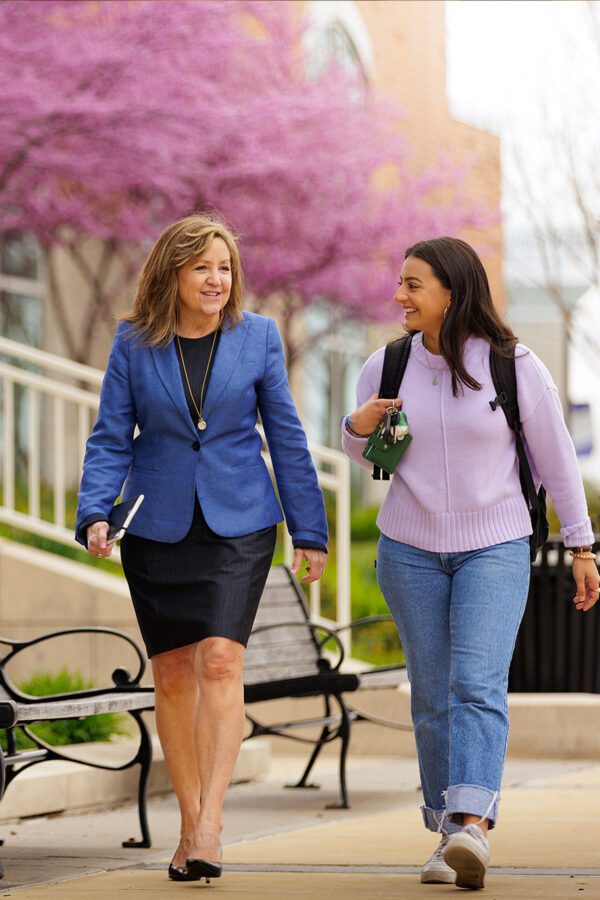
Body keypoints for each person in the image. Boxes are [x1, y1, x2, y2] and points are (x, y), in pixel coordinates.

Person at [75, 213, 328, 884]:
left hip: (240, 520)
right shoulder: (134, 343)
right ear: (173, 273)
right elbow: (110, 437)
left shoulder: (260, 338)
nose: (216, 279)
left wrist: (311, 530)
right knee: (174, 675)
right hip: (156, 523)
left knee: (220, 660)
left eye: (224, 267)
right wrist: (94, 511)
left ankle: (210, 822)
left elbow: (287, 435)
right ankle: (188, 824)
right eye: (202, 268)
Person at [341, 236, 599, 891]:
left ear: (452, 293)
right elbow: (377, 462)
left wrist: (580, 545)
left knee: (477, 686)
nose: (399, 295)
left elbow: (556, 460)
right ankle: (444, 830)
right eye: (400, 283)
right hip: (410, 552)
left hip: (496, 545)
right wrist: (356, 426)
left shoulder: (512, 366)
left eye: (413, 284)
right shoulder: (388, 366)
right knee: (430, 697)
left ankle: (472, 825)